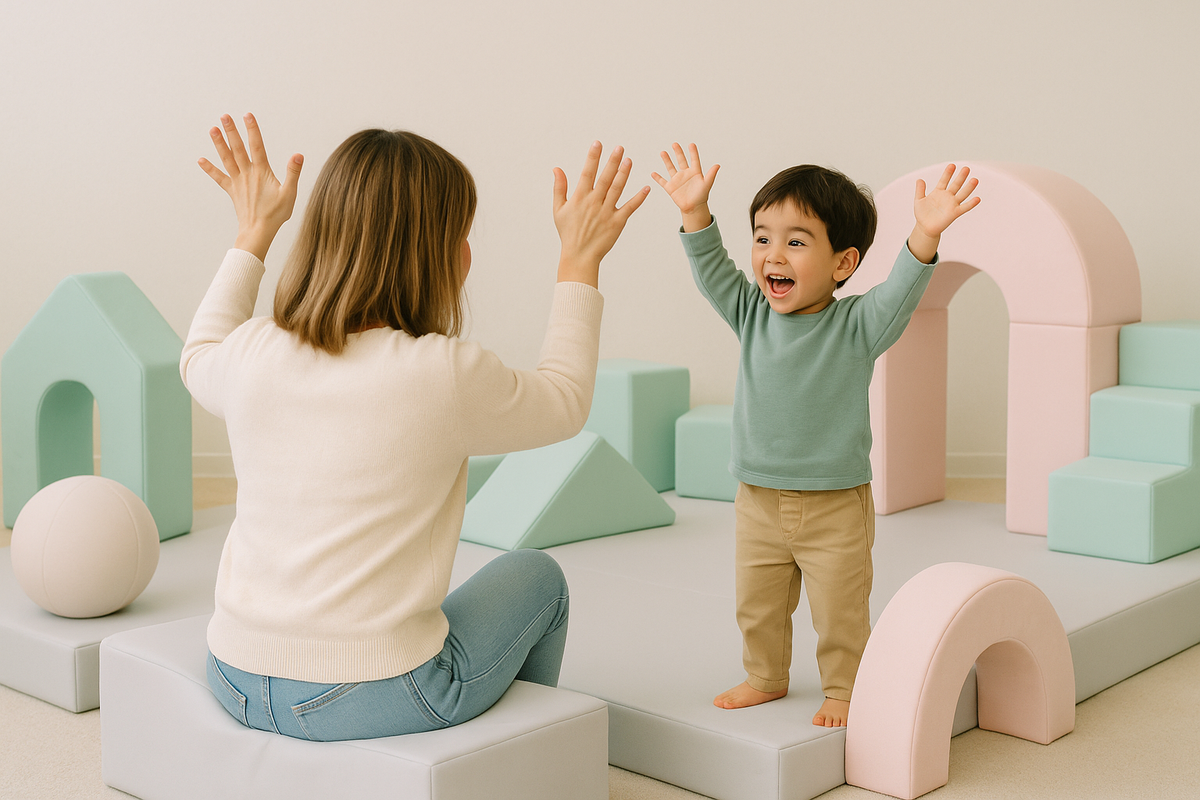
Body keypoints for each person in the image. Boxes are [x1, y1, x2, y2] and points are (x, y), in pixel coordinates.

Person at [181, 113, 649, 741]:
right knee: (540, 579)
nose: (468, 253)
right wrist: (579, 260)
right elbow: (565, 400)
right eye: (461, 234)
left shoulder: (254, 351)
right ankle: (517, 764)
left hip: (233, 674)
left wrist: (253, 233)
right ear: (427, 253)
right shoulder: (440, 374)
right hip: (369, 693)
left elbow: (197, 353)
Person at [652, 143, 979, 727]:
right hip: (757, 498)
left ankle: (846, 687)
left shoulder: (856, 325)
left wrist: (924, 235)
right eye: (762, 238)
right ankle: (765, 676)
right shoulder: (751, 312)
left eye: (796, 241)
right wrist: (696, 215)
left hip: (834, 504)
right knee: (758, 605)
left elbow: (901, 293)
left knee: (840, 609)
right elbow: (711, 273)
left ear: (843, 263)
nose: (773, 254)